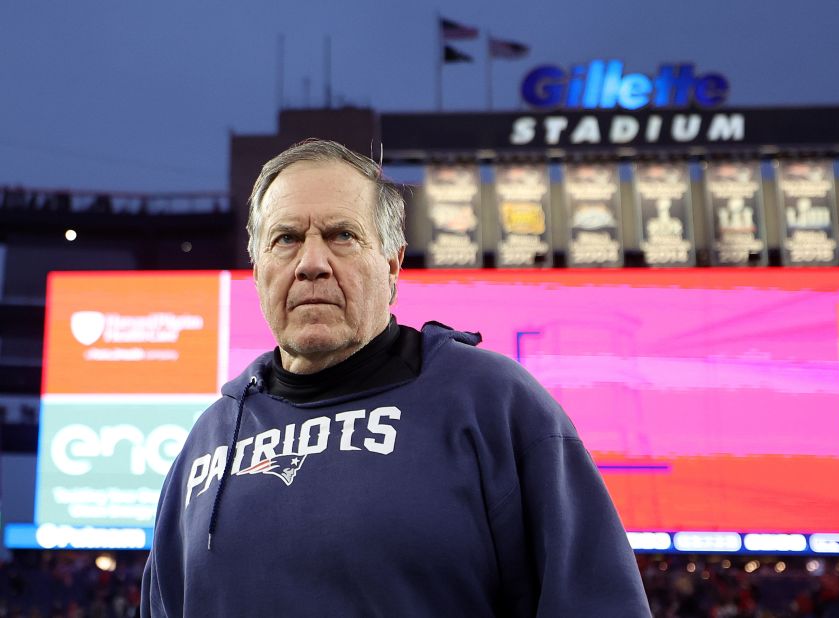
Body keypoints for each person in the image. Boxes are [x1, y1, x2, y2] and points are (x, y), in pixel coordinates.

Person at [141, 139, 650, 617]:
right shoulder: (207, 442)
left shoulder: (493, 402)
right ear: (257, 269)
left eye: (342, 235)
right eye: (286, 239)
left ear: (393, 263)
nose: (311, 263)